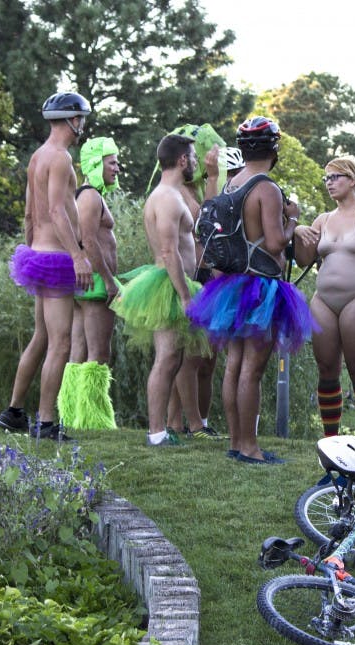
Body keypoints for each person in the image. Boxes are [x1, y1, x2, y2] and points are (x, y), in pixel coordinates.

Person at [187, 117, 315, 464]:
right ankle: (250, 447)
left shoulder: (232, 184)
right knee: (252, 370)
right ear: (274, 149)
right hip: (261, 287)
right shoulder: (266, 188)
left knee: (234, 366)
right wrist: (293, 219)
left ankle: (236, 441)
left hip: (230, 287)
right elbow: (275, 241)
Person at [0, 92, 94, 440]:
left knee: (41, 336)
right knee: (62, 342)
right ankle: (47, 422)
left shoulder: (37, 156)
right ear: (72, 120)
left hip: (37, 252)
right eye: (81, 118)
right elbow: (56, 210)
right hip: (57, 258)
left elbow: (28, 212)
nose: (82, 124)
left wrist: (32, 249)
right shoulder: (61, 158)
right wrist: (78, 255)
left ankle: (14, 412)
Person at [110, 133, 209, 446]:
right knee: (167, 358)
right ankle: (156, 433)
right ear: (182, 160)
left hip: (176, 282)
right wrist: (184, 296)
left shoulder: (173, 194)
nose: (195, 162)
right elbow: (169, 251)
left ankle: (165, 429)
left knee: (176, 359)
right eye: (192, 157)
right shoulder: (166, 197)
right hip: (168, 286)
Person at [293, 157, 355, 443]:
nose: (330, 183)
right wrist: (297, 230)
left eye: (335, 177)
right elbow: (303, 260)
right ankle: (331, 440)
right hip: (324, 301)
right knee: (327, 371)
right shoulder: (323, 220)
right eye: (327, 179)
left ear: (352, 180)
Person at [164, 139, 228, 440]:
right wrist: (214, 179)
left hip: (205, 274)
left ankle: (178, 422)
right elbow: (207, 223)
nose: (198, 162)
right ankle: (194, 425)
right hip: (190, 277)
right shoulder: (175, 190)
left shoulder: (193, 189)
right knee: (187, 355)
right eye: (194, 157)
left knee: (204, 358)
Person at [57, 136, 122, 430]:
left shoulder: (89, 194)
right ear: (97, 163)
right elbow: (89, 240)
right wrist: (109, 280)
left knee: (78, 350)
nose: (117, 168)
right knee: (99, 353)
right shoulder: (90, 196)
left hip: (86, 283)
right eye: (112, 162)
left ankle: (71, 415)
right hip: (95, 282)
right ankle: (94, 420)